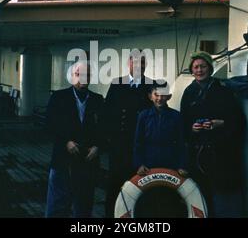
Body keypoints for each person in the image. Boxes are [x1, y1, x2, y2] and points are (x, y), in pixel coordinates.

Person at [180, 51, 246, 218]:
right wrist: (192, 128)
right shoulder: (189, 93)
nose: (199, 70)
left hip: (223, 155)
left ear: (209, 69)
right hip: (199, 156)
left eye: (203, 66)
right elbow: (183, 123)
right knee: (201, 197)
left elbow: (239, 120)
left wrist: (220, 123)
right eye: (196, 67)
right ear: (192, 70)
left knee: (225, 198)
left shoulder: (223, 90)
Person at [45, 61, 104, 218]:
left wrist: (98, 146)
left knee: (84, 207)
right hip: (62, 161)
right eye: (79, 74)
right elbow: (49, 125)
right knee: (57, 205)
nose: (83, 78)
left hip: (87, 162)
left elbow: (105, 129)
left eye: (87, 75)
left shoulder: (98, 100)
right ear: (72, 76)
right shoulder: (58, 97)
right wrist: (66, 142)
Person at [103, 50, 154, 217]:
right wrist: (109, 140)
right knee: (115, 186)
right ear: (129, 63)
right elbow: (107, 114)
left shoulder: (152, 86)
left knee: (140, 187)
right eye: (136, 62)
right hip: (119, 147)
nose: (139, 65)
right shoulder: (117, 84)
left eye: (143, 62)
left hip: (141, 148)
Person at [133, 82, 188, 177]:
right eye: (156, 95)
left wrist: (181, 165)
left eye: (163, 95)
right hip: (148, 164)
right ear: (150, 96)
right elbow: (138, 142)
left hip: (171, 164)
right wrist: (139, 164)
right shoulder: (143, 116)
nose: (159, 98)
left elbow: (181, 143)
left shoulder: (176, 116)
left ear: (169, 96)